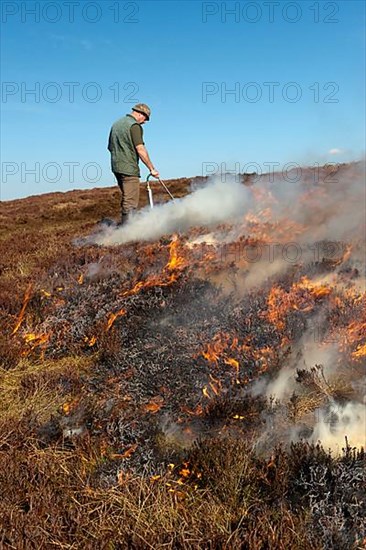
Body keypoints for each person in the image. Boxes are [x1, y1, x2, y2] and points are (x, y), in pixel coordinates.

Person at [108, 103, 159, 225]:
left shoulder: (116, 124)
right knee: (130, 201)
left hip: (116, 166)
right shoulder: (134, 126)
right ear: (140, 114)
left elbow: (109, 147)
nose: (144, 122)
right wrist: (152, 169)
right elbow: (140, 149)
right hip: (129, 168)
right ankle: (127, 233)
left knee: (127, 197)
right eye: (145, 119)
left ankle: (126, 228)